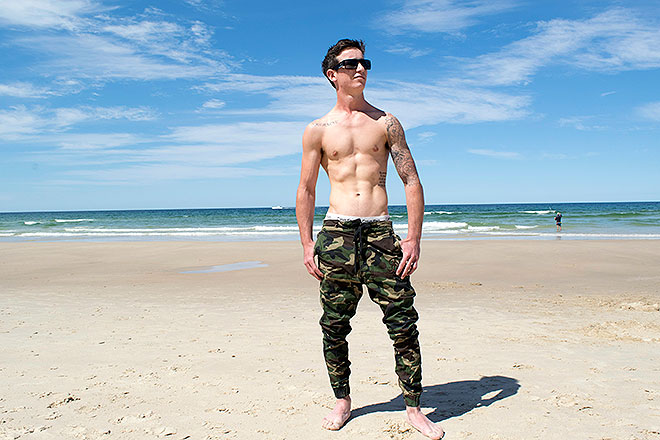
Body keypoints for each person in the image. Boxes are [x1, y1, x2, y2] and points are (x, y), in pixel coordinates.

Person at [295, 39, 444, 440]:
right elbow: (306, 189)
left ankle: (413, 407)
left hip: (380, 234)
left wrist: (413, 238)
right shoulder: (317, 130)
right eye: (351, 64)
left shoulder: (386, 123)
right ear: (333, 74)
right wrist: (307, 244)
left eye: (365, 63)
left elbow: (411, 179)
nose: (360, 69)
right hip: (337, 236)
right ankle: (342, 400)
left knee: (403, 323)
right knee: (334, 325)